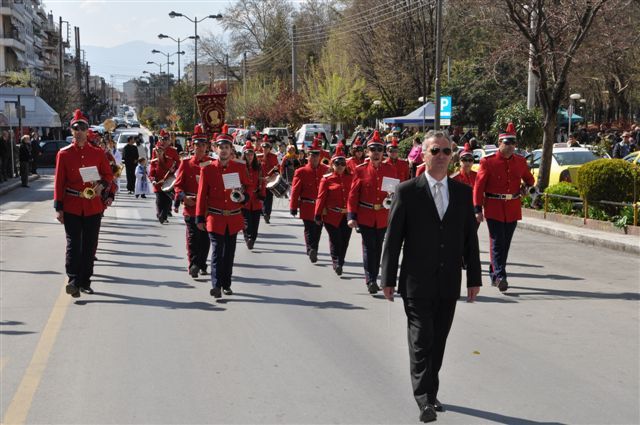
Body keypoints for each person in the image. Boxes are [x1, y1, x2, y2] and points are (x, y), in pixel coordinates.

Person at [380, 131, 481, 423]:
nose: (441, 156)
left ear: (452, 157)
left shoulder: (462, 193)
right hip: (416, 281)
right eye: (435, 150)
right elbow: (393, 238)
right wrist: (387, 277)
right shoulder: (407, 191)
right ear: (423, 154)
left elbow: (469, 241)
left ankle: (431, 392)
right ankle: (423, 399)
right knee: (421, 338)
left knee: (438, 340)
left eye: (446, 151)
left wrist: (473, 278)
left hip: (448, 281)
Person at [54, 109, 113, 297]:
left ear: (88, 131)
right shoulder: (63, 154)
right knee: (73, 244)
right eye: (75, 128)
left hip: (93, 206)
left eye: (83, 128)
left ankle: (85, 280)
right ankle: (73, 279)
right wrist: (59, 207)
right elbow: (59, 182)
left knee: (89, 245)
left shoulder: (97, 153)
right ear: (71, 131)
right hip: (72, 204)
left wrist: (102, 185)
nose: (79, 131)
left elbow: (108, 175)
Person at [473, 123, 535, 292]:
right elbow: (479, 187)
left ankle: (494, 274)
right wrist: (477, 209)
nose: (510, 147)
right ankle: (501, 276)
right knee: (497, 242)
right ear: (500, 143)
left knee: (505, 244)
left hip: (513, 208)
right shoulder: (488, 162)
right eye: (506, 143)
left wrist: (526, 188)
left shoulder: (520, 162)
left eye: (513, 143)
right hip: (493, 207)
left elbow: (530, 180)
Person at [196, 132, 251, 298]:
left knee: (229, 253)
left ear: (231, 149)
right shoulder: (207, 169)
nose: (224, 151)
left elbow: (248, 188)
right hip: (215, 217)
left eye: (227, 147)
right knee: (217, 251)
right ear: (215, 149)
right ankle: (216, 285)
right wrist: (199, 217)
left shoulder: (239, 167)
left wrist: (244, 196)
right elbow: (201, 195)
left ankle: (226, 283)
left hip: (233, 217)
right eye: (221, 147)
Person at [347, 130, 398, 294]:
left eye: (379, 150)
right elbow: (353, 195)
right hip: (366, 215)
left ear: (383, 152)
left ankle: (374, 275)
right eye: (373, 150)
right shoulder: (360, 170)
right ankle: (370, 279)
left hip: (383, 216)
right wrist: (351, 216)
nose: (376, 153)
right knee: (369, 247)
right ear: (368, 152)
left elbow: (392, 195)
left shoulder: (390, 169)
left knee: (378, 248)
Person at [174, 132, 211, 278]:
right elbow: (177, 186)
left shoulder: (212, 164)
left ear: (207, 146)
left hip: (207, 209)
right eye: (198, 145)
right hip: (190, 208)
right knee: (192, 238)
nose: (200, 148)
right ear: (192, 146)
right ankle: (193, 264)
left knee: (205, 239)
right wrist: (183, 197)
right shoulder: (186, 163)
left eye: (203, 145)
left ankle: (201, 263)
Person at [314, 145, 353, 276]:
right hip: (331, 215)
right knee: (336, 240)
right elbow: (321, 197)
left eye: (343, 163)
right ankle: (336, 262)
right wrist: (317, 214)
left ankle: (340, 261)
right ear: (332, 164)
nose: (340, 166)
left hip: (347, 215)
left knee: (345, 241)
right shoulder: (326, 179)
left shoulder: (352, 178)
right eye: (337, 163)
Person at [290, 138, 330, 263]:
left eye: (317, 155)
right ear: (308, 156)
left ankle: (314, 249)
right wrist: (293, 206)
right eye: (312, 155)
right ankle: (310, 248)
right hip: (307, 205)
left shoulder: (326, 170)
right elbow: (295, 190)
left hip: (321, 207)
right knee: (309, 228)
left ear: (320, 156)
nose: (314, 158)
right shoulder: (300, 171)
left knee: (318, 229)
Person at [150, 129, 181, 224]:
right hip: (159, 179)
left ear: (169, 140)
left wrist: (174, 169)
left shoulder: (173, 151)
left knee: (168, 200)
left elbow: (178, 163)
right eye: (162, 139)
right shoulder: (155, 150)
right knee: (159, 199)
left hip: (169, 179)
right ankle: (160, 214)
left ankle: (163, 216)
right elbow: (152, 165)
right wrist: (152, 177)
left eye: (166, 139)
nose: (164, 141)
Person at [241, 141, 265, 250]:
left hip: (256, 198)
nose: (249, 156)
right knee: (246, 222)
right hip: (245, 198)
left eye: (251, 154)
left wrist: (262, 196)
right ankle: (248, 239)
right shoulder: (240, 166)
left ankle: (253, 239)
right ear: (244, 155)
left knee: (255, 224)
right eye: (247, 154)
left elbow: (262, 182)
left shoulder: (259, 167)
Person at [259, 137, 279, 224]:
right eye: (263, 148)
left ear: (269, 149)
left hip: (270, 180)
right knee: (261, 197)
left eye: (267, 148)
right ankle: (262, 211)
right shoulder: (258, 157)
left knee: (269, 198)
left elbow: (277, 169)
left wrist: (270, 178)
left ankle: (267, 214)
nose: (265, 149)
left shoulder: (274, 157)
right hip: (261, 180)